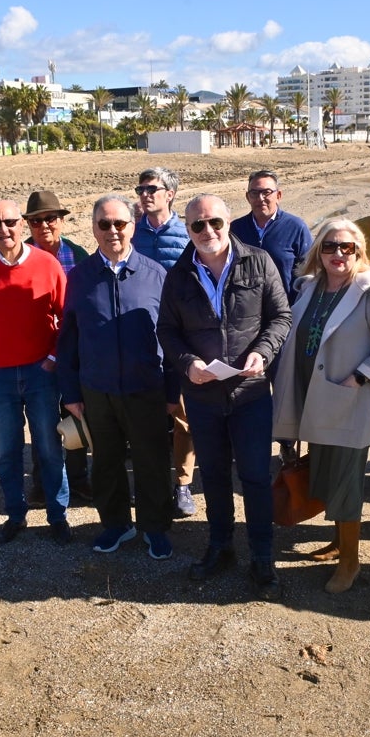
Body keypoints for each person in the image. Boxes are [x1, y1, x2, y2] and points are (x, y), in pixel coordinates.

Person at [157, 194, 292, 600]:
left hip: (250, 393)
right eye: (197, 225)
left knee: (253, 476)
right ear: (187, 228)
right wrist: (187, 364)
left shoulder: (259, 261)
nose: (207, 231)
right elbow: (167, 331)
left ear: (229, 221)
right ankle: (220, 546)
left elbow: (281, 317)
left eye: (214, 222)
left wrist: (262, 352)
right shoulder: (178, 275)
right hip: (202, 396)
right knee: (213, 476)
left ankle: (263, 557)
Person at [272, 220, 370, 593]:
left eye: (347, 248)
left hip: (348, 402)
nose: (338, 254)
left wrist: (357, 379)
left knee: (345, 483)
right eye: (330, 247)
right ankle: (338, 541)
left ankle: (350, 561)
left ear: (359, 252)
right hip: (314, 399)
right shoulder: (310, 288)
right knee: (325, 474)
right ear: (319, 252)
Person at [57, 195, 175, 559]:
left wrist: (172, 391)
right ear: (93, 229)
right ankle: (116, 524)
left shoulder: (156, 275)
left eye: (119, 223)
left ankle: (155, 527)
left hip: (146, 390)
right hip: (97, 390)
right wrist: (71, 392)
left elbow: (171, 338)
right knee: (106, 462)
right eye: (104, 224)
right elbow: (69, 338)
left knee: (151, 461)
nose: (112, 231)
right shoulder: (78, 278)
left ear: (132, 226)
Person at [0, 200, 71, 546]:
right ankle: (16, 514)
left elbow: (66, 317)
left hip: (41, 374)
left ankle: (57, 515)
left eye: (9, 222)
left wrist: (53, 357)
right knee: (7, 451)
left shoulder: (47, 265)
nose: (3, 230)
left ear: (21, 225)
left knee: (49, 448)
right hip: (0, 379)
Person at [132, 167, 197, 518]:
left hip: (178, 335)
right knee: (147, 412)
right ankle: (152, 479)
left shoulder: (187, 233)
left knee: (183, 414)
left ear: (170, 194)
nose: (145, 194)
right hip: (139, 337)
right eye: (141, 188)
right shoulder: (130, 232)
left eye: (152, 188)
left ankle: (183, 484)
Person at [22, 189, 93, 503]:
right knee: (41, 420)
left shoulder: (78, 255)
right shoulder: (20, 257)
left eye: (50, 218)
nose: (44, 226)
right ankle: (44, 481)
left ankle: (78, 479)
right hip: (36, 353)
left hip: (74, 351)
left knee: (74, 414)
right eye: (36, 221)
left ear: (61, 220)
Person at [229, 170, 314, 300]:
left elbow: (309, 270)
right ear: (247, 197)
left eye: (266, 192)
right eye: (254, 193)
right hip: (246, 310)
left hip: (286, 309)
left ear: (278, 195)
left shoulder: (296, 227)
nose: (260, 198)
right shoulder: (235, 229)